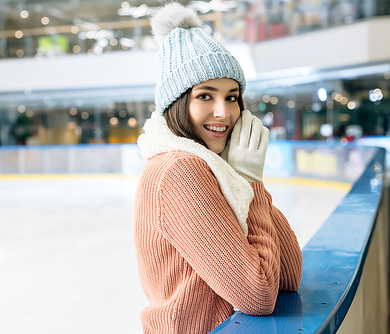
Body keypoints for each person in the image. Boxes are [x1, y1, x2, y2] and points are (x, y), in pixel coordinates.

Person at [133, 3, 303, 334]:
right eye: (206, 96)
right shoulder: (180, 171)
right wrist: (249, 182)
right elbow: (259, 294)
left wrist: (245, 178)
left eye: (233, 96)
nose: (223, 112)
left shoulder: (215, 168)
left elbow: (288, 275)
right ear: (179, 103)